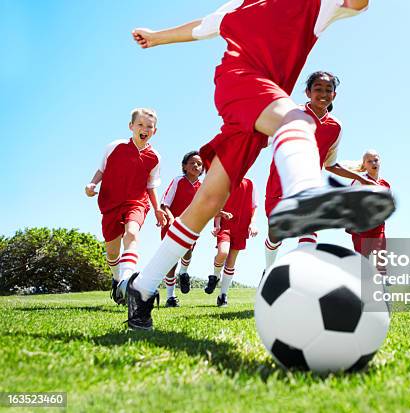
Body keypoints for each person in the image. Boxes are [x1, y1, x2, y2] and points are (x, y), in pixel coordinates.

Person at [126, 0, 395, 330]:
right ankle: (306, 194)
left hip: (262, 109)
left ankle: (142, 288)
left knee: (208, 201)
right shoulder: (240, 5)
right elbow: (200, 28)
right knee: (297, 120)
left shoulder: (317, 5)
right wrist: (156, 37)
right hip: (238, 81)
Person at [263, 71, 376, 268]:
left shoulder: (336, 127)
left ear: (334, 95)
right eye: (318, 89)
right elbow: (264, 138)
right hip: (279, 187)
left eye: (328, 90)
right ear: (307, 92)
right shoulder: (292, 114)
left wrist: (362, 179)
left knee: (308, 238)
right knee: (275, 235)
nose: (323, 94)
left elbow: (330, 164)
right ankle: (268, 270)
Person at [84, 108, 166, 305]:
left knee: (132, 233)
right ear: (131, 127)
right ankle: (116, 278)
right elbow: (101, 170)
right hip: (110, 203)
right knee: (112, 252)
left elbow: (151, 185)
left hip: (136, 203)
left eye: (149, 126)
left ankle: (126, 280)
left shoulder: (155, 157)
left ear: (154, 131)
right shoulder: (115, 146)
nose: (144, 129)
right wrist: (92, 184)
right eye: (140, 125)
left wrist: (156, 209)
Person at [205, 178, 258, 307]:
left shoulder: (250, 184)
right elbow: (217, 205)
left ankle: (223, 296)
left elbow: (254, 206)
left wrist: (252, 224)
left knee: (231, 262)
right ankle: (215, 276)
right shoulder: (225, 182)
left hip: (242, 227)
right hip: (225, 226)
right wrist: (217, 225)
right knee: (223, 252)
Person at [159, 151, 203, 307]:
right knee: (171, 260)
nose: (196, 165)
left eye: (199, 164)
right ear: (184, 166)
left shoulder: (202, 187)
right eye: (192, 163)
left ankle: (183, 272)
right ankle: (170, 297)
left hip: (191, 227)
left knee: (188, 250)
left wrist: (221, 213)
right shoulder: (178, 181)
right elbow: (164, 204)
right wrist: (170, 219)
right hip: (171, 226)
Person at [345, 150, 390, 272]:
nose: (373, 163)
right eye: (369, 161)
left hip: (378, 226)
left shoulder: (385, 184)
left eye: (375, 160)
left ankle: (382, 281)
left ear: (380, 162)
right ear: (364, 165)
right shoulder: (359, 181)